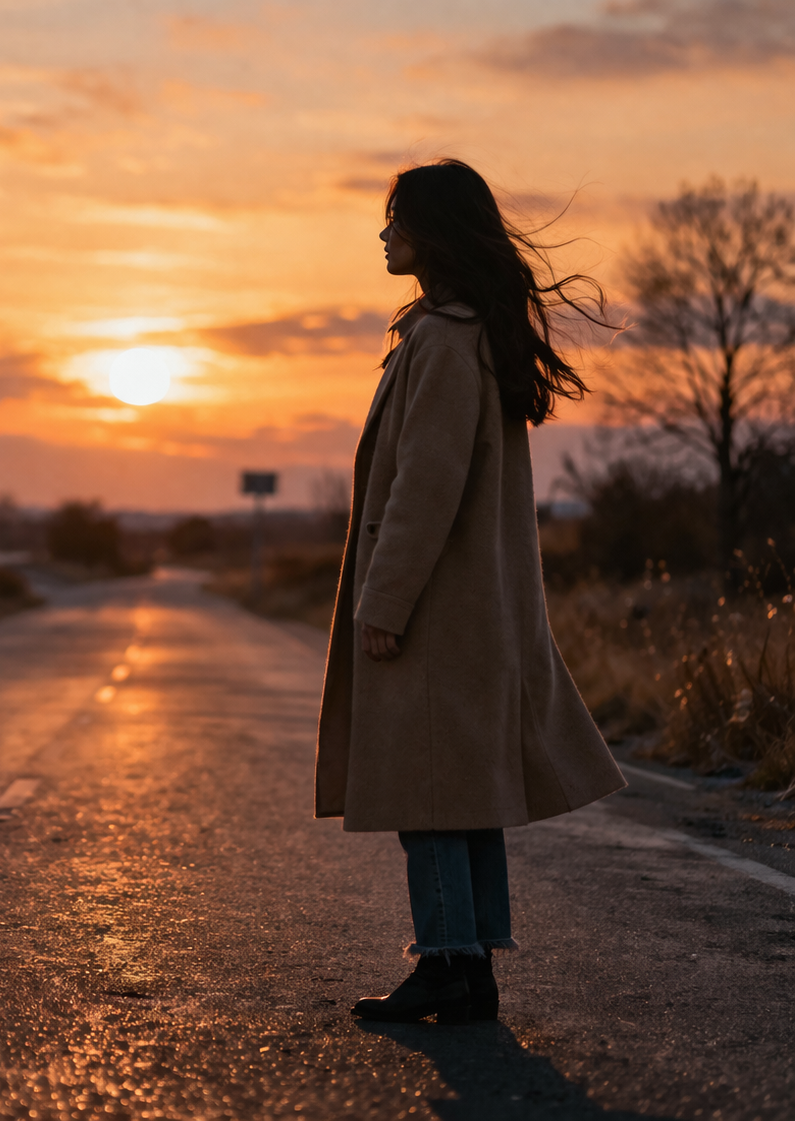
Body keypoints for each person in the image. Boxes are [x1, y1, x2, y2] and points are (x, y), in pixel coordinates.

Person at [315, 159, 625, 1023]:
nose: (384, 235)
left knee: (430, 792)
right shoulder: (459, 332)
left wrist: (386, 601)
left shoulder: (447, 341)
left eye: (397, 222)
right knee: (459, 787)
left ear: (434, 234)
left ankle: (450, 958)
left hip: (439, 612)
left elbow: (426, 486)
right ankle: (474, 961)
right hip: (465, 608)